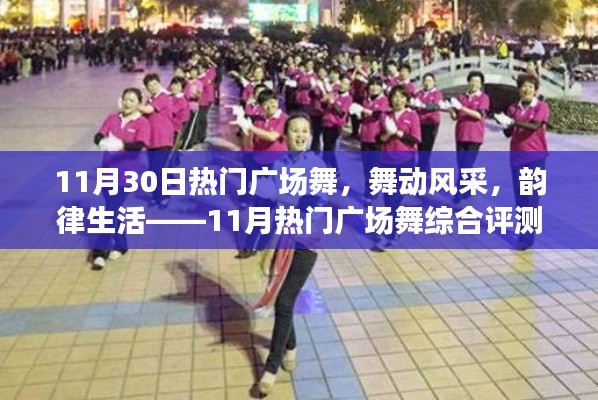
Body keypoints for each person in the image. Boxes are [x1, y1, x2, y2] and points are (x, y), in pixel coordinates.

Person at [256, 114, 324, 396]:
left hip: (306, 241)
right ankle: (291, 345)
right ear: (285, 134)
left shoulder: (317, 165)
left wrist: (291, 200)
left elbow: (318, 202)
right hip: (282, 238)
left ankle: (271, 368)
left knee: (284, 301)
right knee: (285, 302)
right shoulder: (279, 165)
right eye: (295, 130)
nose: (300, 135)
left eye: (305, 131)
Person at [91, 88, 150, 270]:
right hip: (106, 172)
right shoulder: (112, 118)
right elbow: (99, 135)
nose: (127, 103)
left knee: (110, 211)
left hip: (126, 175)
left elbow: (139, 145)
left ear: (139, 103)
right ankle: (122, 245)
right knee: (113, 210)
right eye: (125, 99)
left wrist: (121, 145)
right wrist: (101, 141)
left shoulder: (142, 123)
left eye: (132, 100)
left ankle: (100, 252)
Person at [495, 74, 549, 250]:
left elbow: (535, 126)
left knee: (532, 198)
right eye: (524, 86)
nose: (527, 90)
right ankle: (523, 233)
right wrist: (504, 124)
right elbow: (508, 134)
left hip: (536, 157)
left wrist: (514, 121)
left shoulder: (541, 106)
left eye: (530, 87)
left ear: (535, 90)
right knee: (520, 199)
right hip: (517, 158)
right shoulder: (513, 108)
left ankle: (528, 238)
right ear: (519, 89)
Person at [374, 85, 421, 251]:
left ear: (406, 99)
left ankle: (389, 235)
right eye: (395, 96)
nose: (398, 100)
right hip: (386, 162)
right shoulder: (385, 116)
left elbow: (415, 139)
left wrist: (397, 132)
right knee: (388, 199)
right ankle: (394, 230)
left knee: (395, 199)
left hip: (405, 162)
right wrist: (388, 132)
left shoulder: (412, 116)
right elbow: (378, 139)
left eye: (402, 97)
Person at [448, 71, 490, 203]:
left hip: (475, 136)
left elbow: (478, 115)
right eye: (472, 81)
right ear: (468, 82)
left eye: (477, 82)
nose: (474, 84)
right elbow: (455, 116)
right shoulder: (461, 96)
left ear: (481, 84)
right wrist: (451, 110)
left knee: (466, 165)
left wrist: (462, 108)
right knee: (461, 165)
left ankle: (458, 192)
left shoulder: (483, 97)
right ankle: (468, 189)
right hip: (461, 134)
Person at [139, 73, 175, 209]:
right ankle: (156, 196)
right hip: (152, 141)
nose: (153, 87)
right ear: (147, 88)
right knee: (152, 170)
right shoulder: (150, 100)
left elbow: (148, 110)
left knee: (157, 170)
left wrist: (133, 103)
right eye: (150, 85)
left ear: (159, 83)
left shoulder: (163, 97)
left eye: (155, 84)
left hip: (163, 139)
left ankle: (164, 197)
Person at [411, 73, 443, 173]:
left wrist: (423, 106)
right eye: (425, 81)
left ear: (434, 82)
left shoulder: (437, 93)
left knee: (427, 147)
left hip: (431, 123)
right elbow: (413, 104)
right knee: (420, 147)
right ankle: (425, 168)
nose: (427, 83)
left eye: (429, 81)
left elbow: (436, 106)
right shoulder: (419, 93)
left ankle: (420, 170)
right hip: (419, 123)